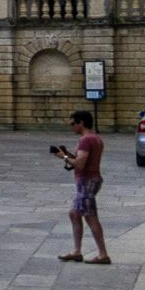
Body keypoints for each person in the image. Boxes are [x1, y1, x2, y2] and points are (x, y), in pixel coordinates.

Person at [54, 110, 111, 265]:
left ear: (81, 123)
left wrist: (64, 157)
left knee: (90, 216)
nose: (71, 127)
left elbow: (80, 164)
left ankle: (102, 254)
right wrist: (68, 154)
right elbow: (80, 160)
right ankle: (77, 252)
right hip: (88, 181)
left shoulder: (87, 140)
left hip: (87, 181)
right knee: (74, 214)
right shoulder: (94, 138)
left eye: (73, 124)